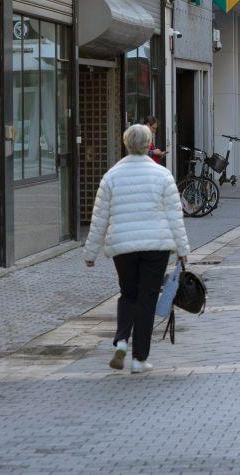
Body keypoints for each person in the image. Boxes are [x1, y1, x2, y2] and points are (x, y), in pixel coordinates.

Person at [83, 124, 190, 374]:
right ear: (148, 144)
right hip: (156, 245)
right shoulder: (162, 175)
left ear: (126, 144)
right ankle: (139, 359)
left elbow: (100, 218)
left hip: (123, 246)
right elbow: (175, 216)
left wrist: (90, 253)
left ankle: (122, 340)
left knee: (127, 293)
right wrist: (183, 249)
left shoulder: (111, 176)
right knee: (147, 298)